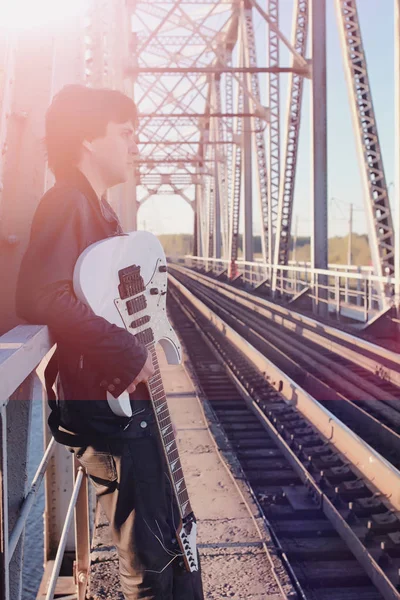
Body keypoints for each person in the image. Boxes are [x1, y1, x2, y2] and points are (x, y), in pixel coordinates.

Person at [15, 84, 204, 600]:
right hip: (108, 410)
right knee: (147, 558)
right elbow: (40, 294)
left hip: (123, 403)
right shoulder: (66, 202)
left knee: (169, 538)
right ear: (89, 140)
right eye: (124, 133)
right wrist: (127, 353)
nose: (134, 144)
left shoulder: (96, 209)